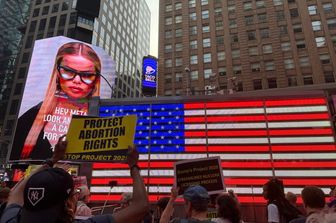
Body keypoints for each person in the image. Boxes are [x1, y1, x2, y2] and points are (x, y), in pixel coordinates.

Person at [0, 136, 149, 223]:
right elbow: (141, 207)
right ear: (68, 202)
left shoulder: (10, 218)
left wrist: (52, 160)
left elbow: (16, 193)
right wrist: (133, 166)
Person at [11, 42, 101, 160]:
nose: (77, 80)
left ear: (96, 79)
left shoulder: (101, 120)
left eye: (87, 75)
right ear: (57, 73)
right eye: (68, 71)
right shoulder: (28, 120)